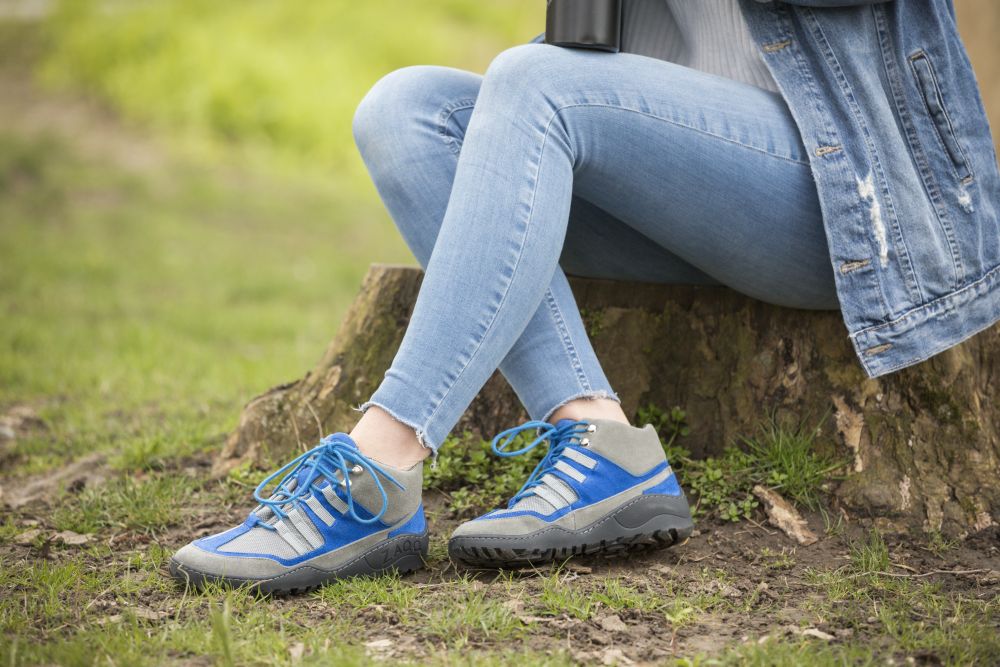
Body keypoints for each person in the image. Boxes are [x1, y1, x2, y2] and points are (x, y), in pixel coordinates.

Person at [169, 0, 1000, 593]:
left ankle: (380, 468)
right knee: (407, 111)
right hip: (677, 180)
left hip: (848, 197)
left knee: (535, 82)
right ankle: (597, 440)